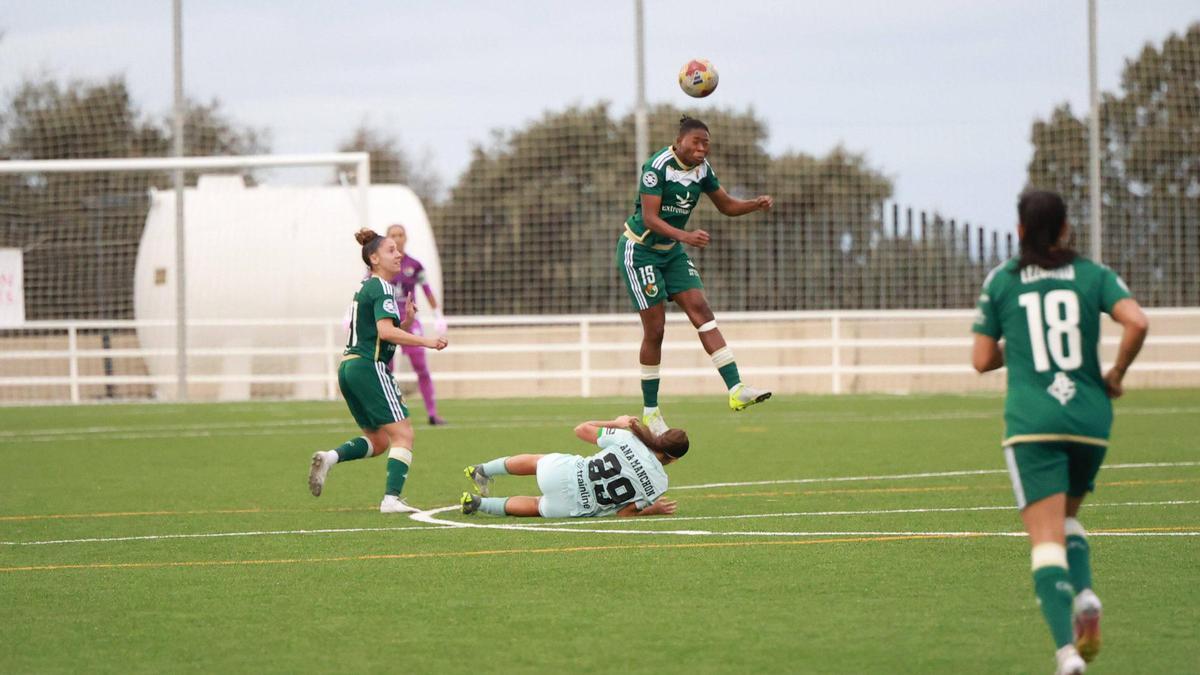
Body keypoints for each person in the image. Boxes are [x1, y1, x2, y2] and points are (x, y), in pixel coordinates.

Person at [971, 190, 1148, 675]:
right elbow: (1136, 322)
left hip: (1033, 423)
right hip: (1089, 420)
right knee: (1066, 517)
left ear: (1020, 230)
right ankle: (1085, 594)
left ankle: (1067, 654)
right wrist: (1116, 374)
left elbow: (982, 359)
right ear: (1066, 228)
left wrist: (1018, 344)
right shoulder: (1093, 274)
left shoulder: (1003, 280)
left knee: (1045, 538)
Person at [618, 115, 775, 435]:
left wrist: (754, 204)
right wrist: (686, 236)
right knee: (656, 330)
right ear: (679, 142)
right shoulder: (657, 167)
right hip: (640, 252)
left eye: (706, 143)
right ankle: (650, 412)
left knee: (701, 310)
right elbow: (649, 219)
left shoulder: (703, 170)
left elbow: (726, 205)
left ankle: (736, 389)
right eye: (696, 142)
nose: (702, 148)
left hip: (671, 252)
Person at [308, 228, 449, 513]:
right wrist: (427, 341)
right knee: (404, 434)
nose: (398, 255)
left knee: (379, 440)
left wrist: (405, 322)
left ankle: (329, 458)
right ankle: (391, 500)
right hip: (368, 367)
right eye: (391, 251)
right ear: (374, 258)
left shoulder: (366, 287)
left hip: (348, 368)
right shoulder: (382, 287)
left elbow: (380, 333)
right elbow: (385, 333)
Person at [460, 415, 686, 518]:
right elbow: (624, 513)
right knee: (536, 505)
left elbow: (581, 429)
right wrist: (652, 510)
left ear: (659, 438)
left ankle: (483, 470)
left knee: (537, 462)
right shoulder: (660, 485)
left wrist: (616, 423)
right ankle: (477, 503)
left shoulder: (629, 438)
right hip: (577, 504)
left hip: (565, 472)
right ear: (675, 459)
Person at [384, 224, 448, 425]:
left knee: (421, 365)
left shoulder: (415, 265)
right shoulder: (380, 265)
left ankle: (432, 413)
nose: (397, 238)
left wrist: (438, 314)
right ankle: (387, 415)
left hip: (410, 320)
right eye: (393, 235)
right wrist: (351, 313)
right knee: (385, 368)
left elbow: (427, 289)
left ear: (406, 237)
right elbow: (364, 287)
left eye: (400, 235)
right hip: (387, 321)